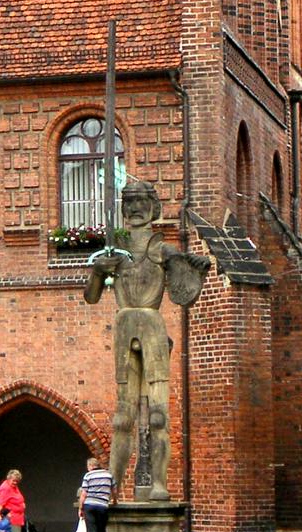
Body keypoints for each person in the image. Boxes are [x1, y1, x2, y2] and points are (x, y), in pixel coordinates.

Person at [84, 181, 210, 501]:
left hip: (152, 325)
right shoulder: (114, 251)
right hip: (125, 323)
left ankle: (159, 485)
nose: (135, 208)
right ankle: (113, 489)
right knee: (123, 415)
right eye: (130, 203)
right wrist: (98, 271)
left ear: (154, 208)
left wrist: (193, 264)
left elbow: (185, 285)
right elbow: (91, 296)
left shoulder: (160, 249)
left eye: (142, 202)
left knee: (158, 414)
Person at [78, 457, 118, 532]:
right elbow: (114, 490)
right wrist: (114, 501)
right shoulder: (108, 475)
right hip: (102, 506)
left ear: (90, 466)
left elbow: (83, 494)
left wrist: (80, 508)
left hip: (89, 505)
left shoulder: (88, 475)